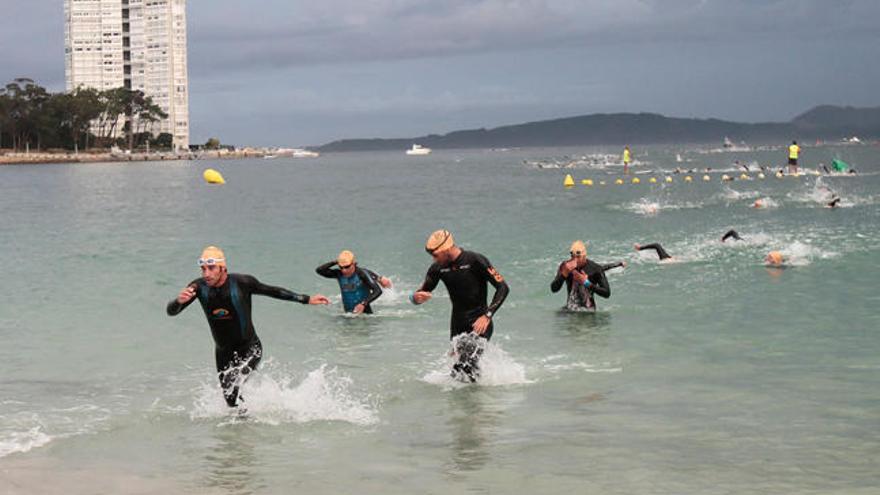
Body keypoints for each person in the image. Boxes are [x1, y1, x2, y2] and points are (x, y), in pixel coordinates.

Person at [166, 246, 330, 408]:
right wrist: (178, 301)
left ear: (223, 268)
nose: (206, 274)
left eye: (211, 268)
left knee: (234, 384)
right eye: (203, 269)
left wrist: (306, 299)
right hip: (223, 352)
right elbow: (171, 312)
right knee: (230, 400)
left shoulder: (242, 283)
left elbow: (273, 291)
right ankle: (245, 428)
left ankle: (265, 414)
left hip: (250, 348)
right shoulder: (198, 287)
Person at [411, 230, 510, 382]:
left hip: (480, 324)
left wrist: (487, 316)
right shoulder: (437, 268)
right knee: (460, 373)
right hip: (457, 327)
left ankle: (474, 402)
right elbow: (421, 293)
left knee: (465, 366)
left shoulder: (475, 260)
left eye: (436, 255)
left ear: (445, 249)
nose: (433, 259)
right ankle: (475, 401)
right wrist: (415, 298)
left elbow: (503, 287)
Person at [315, 250, 387, 314]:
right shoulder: (339, 274)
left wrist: (363, 304)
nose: (344, 270)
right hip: (348, 315)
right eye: (341, 267)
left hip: (365, 315)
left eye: (347, 266)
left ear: (353, 263)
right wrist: (336, 261)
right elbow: (319, 270)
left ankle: (379, 278)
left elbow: (378, 290)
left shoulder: (361, 273)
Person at [550, 240, 612, 312]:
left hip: (588, 311)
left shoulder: (595, 268)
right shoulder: (566, 266)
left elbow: (607, 293)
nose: (575, 260)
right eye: (573, 256)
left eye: (578, 257)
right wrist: (564, 275)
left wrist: (586, 283)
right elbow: (553, 289)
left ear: (584, 255)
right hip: (571, 309)